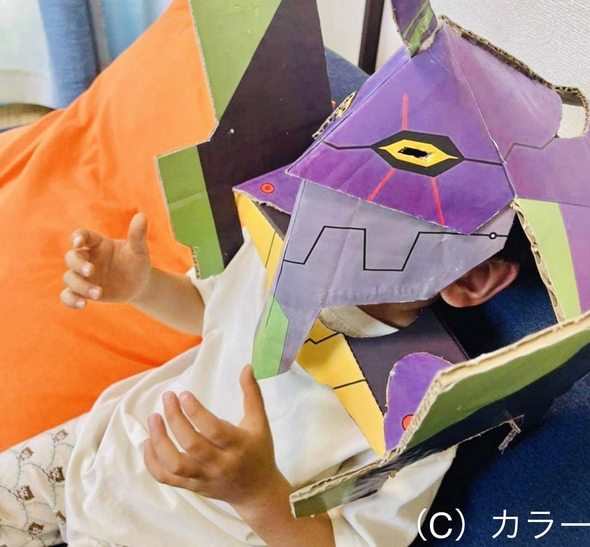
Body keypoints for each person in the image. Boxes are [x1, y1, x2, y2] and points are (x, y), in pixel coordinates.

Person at [0, 212, 525, 547]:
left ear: (471, 279)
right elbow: (211, 310)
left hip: (190, 533)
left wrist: (257, 494)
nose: (340, 215)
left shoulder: (424, 408)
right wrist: (143, 286)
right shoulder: (283, 241)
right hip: (103, 449)